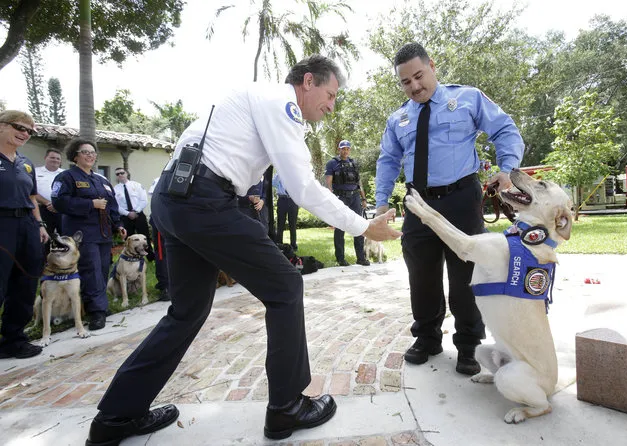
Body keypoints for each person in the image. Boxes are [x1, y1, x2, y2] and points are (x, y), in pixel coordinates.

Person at [85, 54, 401, 446]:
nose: (332, 105)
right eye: (331, 94)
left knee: (186, 312)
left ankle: (115, 417)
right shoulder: (281, 103)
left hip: (174, 197)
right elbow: (302, 187)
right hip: (202, 199)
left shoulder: (253, 97)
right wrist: (363, 225)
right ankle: (286, 407)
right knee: (285, 287)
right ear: (307, 81)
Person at [375, 42, 524, 375]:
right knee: (422, 275)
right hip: (418, 202)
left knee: (465, 275)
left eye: (418, 76)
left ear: (432, 66)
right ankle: (427, 337)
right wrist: (382, 201)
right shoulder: (398, 118)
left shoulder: (468, 98)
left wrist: (507, 167)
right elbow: (387, 160)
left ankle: (468, 344)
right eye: (405, 82)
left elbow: (504, 128)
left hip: (460, 199)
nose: (414, 86)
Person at [51, 139, 126, 331]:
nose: (90, 155)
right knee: (90, 269)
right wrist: (89, 204)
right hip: (82, 233)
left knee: (101, 269)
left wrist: (118, 224)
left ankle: (96, 305)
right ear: (75, 155)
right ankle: (96, 312)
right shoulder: (66, 177)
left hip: (103, 233)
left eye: (93, 152)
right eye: (85, 152)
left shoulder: (101, 180)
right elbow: (59, 202)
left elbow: (112, 205)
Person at [0, 110, 49, 359]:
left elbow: (32, 197)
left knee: (25, 283)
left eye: (29, 131)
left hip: (27, 224)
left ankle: (13, 339)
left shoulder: (26, 162)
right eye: (19, 127)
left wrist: (40, 226)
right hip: (2, 223)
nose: (25, 134)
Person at [325, 139, 370, 266]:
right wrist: (331, 199)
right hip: (341, 197)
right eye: (343, 148)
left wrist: (364, 199)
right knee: (340, 227)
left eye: (347, 149)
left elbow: (359, 183)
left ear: (349, 150)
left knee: (359, 226)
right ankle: (340, 259)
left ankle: (361, 258)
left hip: (355, 197)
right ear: (339, 149)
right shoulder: (332, 164)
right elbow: (328, 183)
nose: (345, 151)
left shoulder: (354, 164)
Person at [113, 167, 155, 261]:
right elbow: (116, 205)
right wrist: (128, 213)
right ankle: (132, 258)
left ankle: (150, 257)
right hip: (125, 217)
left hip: (138, 214)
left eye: (122, 173)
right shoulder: (115, 189)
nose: (120, 175)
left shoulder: (137, 185)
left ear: (127, 173)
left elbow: (144, 200)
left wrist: (136, 211)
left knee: (145, 237)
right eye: (117, 174)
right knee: (129, 239)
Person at [147, 177, 170, 302]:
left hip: (181, 219)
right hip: (162, 218)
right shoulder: (159, 180)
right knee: (162, 254)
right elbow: (155, 199)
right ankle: (165, 286)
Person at [35, 148, 65, 236]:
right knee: (44, 238)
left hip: (61, 210)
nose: (55, 160)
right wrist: (48, 203)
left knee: (64, 237)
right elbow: (31, 191)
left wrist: (57, 205)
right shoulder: (36, 171)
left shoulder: (65, 174)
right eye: (52, 157)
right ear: (45, 158)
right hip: (42, 210)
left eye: (58, 158)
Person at [273, 172, 299, 250]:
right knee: (280, 223)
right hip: (282, 199)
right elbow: (274, 184)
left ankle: (293, 245)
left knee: (293, 224)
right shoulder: (279, 173)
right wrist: (280, 173)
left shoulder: (295, 173)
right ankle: (279, 244)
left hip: (292, 200)